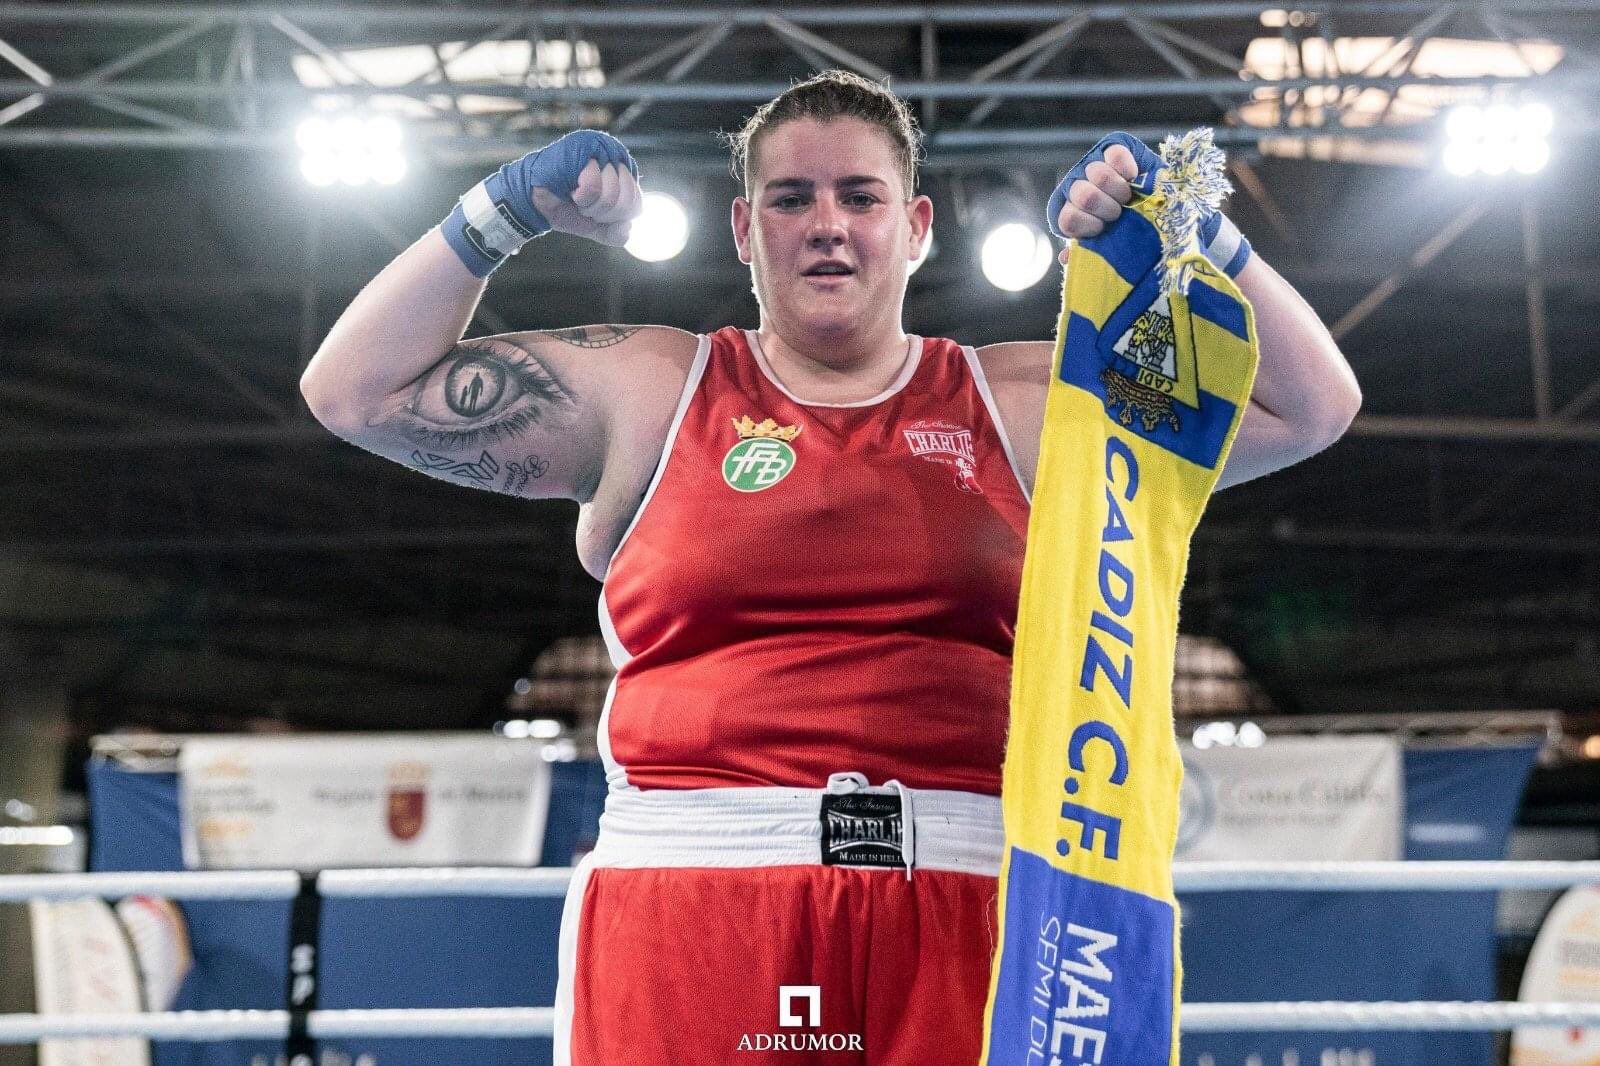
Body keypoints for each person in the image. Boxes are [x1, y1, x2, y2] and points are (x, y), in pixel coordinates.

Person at [301, 70, 1360, 1065]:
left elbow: (1313, 408)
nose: (825, 225)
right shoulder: (653, 389)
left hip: (967, 891)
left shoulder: (1024, 405)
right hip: (694, 890)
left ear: (914, 226)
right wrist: (507, 210)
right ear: (742, 229)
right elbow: (356, 393)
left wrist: (1190, 227)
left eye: (860, 196)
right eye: (790, 198)